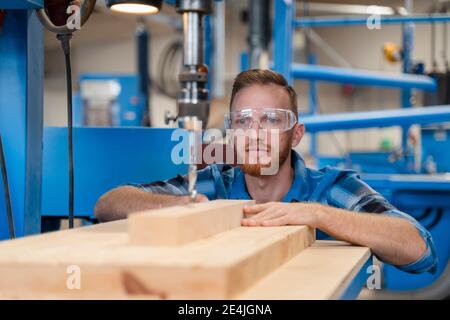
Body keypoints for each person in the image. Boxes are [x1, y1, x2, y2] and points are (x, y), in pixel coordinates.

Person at [94, 69, 437, 274]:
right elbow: (109, 205)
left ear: (296, 133)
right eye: (243, 120)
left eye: (271, 119)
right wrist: (178, 206)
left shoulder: (331, 190)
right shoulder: (215, 184)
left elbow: (420, 250)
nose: (254, 132)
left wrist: (316, 215)